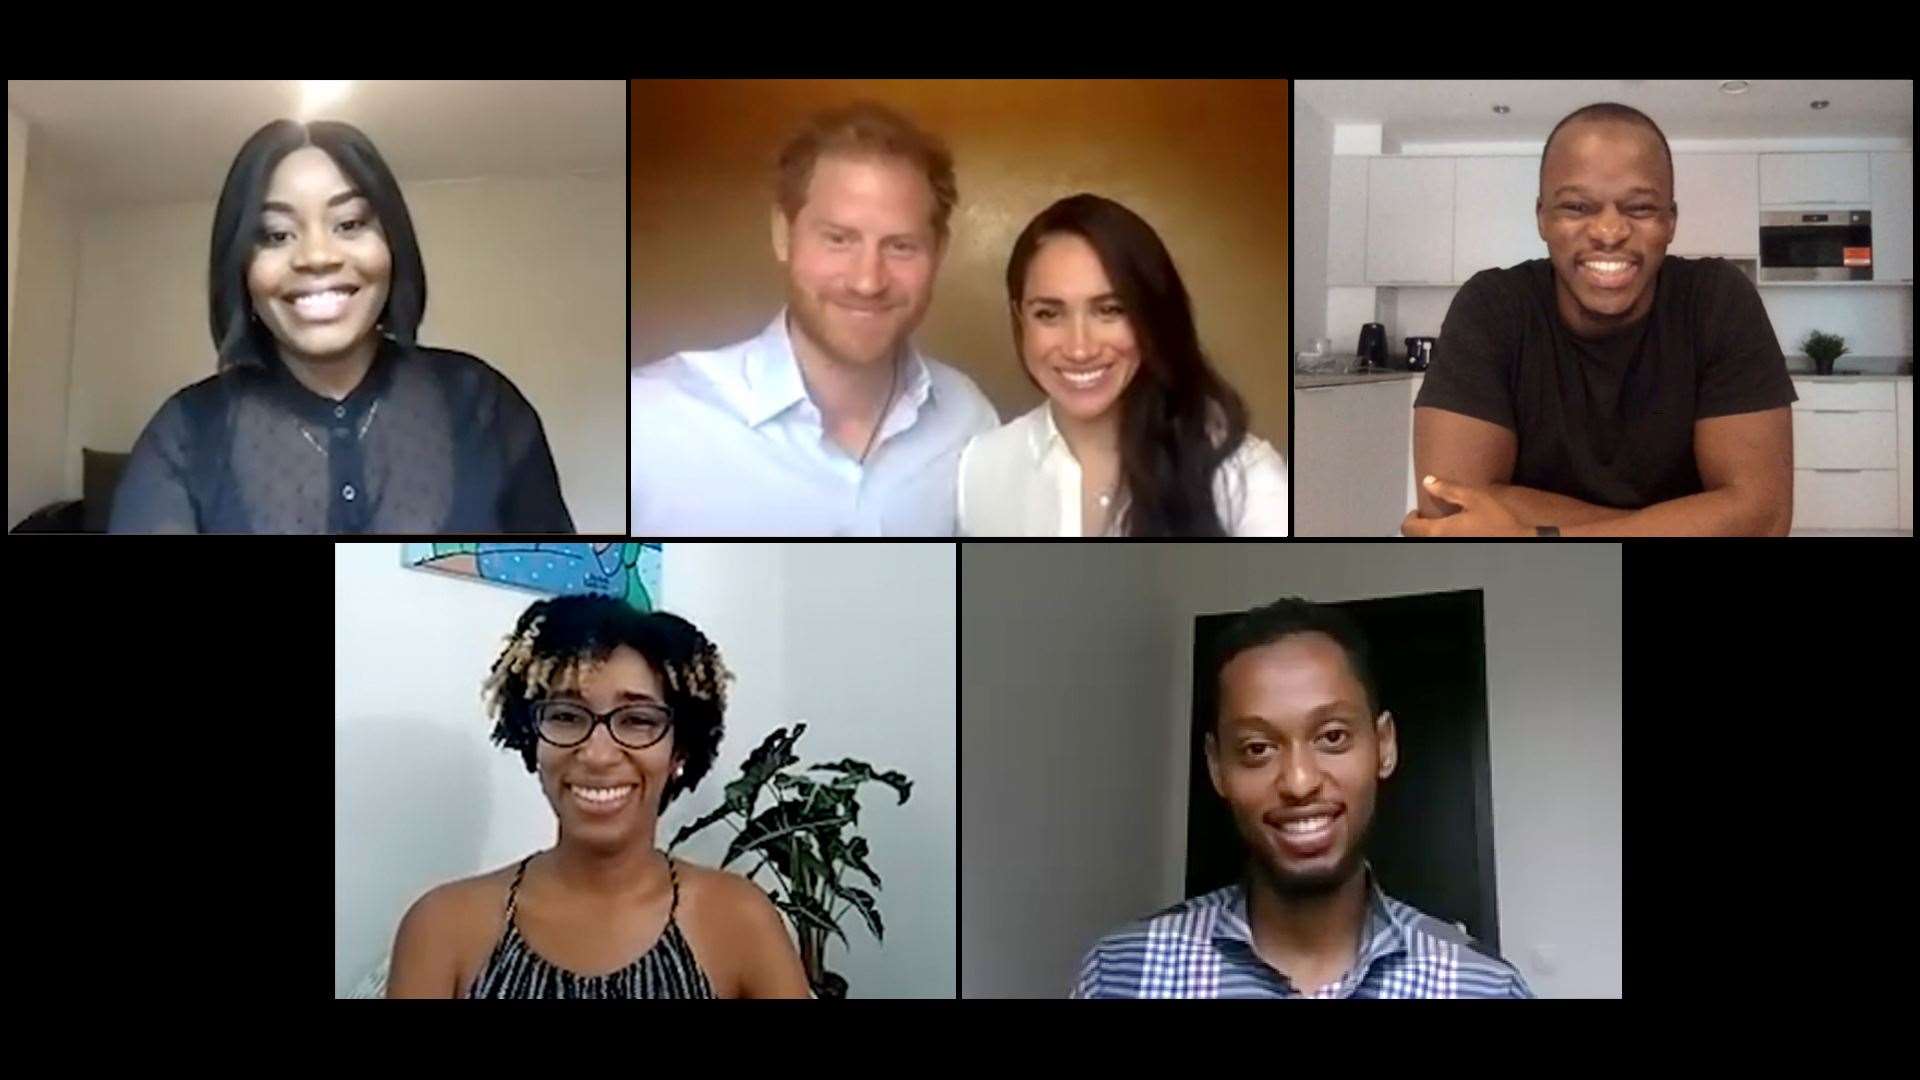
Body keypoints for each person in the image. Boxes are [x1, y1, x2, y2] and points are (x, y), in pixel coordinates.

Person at [111, 119, 574, 533]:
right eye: (275, 234)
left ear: (392, 243)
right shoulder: (183, 434)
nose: (317, 257)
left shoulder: (483, 405)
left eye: (349, 223)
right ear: (241, 265)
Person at [1073, 598, 1531, 998]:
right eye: (1257, 749)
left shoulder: (1482, 987)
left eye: (1332, 737)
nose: (1298, 782)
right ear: (1217, 767)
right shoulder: (1121, 975)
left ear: (1384, 746)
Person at [387, 595, 811, 998]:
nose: (597, 753)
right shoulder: (442, 926)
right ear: (531, 738)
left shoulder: (740, 920)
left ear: (679, 750)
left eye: (638, 720)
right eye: (567, 716)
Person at [1405, 102, 1794, 538]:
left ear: (1670, 221)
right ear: (1542, 218)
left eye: (1641, 208)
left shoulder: (1717, 300)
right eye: (1576, 207)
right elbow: (1448, 507)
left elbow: (1762, 519)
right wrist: (1693, 521)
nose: (1609, 232)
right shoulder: (1493, 307)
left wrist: (1536, 538)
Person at [629, 101, 999, 536]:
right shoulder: (652, 422)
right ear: (783, 236)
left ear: (939, 252)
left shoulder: (970, 420)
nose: (867, 281)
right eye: (839, 239)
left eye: (901, 246)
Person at [958, 194, 1286, 536]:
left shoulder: (1244, 476)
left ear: (1153, 315)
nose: (1080, 349)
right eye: (1048, 314)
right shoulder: (982, 467)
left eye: (1110, 310)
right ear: (1019, 317)